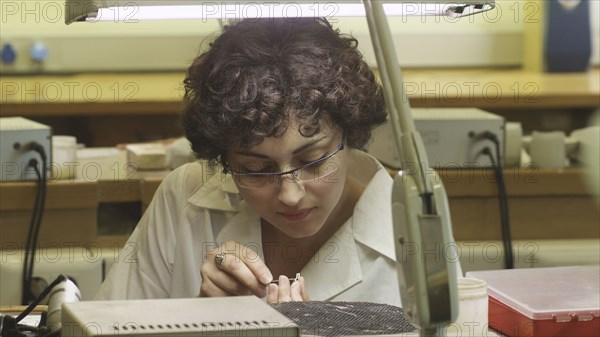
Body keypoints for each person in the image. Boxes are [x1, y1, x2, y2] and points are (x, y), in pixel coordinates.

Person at [95, 17, 401, 306]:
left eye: (312, 161)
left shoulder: (410, 240)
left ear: (350, 134)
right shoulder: (185, 198)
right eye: (256, 170)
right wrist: (202, 321)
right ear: (224, 157)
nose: (289, 195)